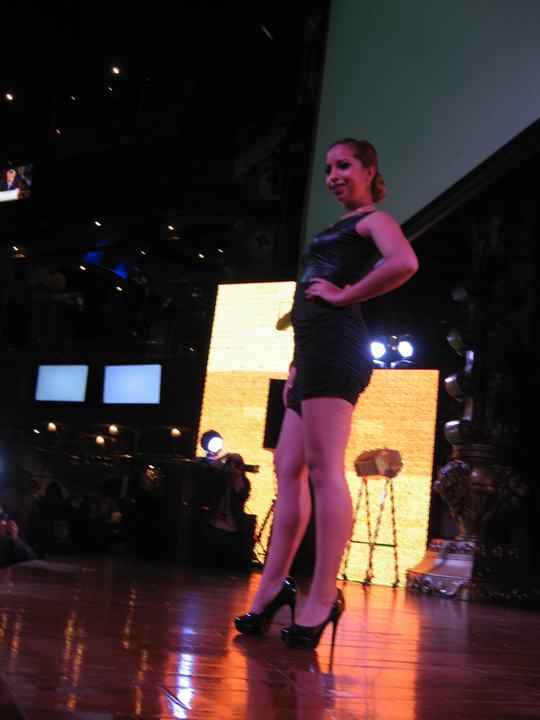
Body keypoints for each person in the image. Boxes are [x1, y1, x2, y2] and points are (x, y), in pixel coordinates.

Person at [234, 138, 419, 650]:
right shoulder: (341, 226)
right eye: (328, 168)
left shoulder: (374, 220)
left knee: (322, 469)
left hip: (338, 349)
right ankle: (272, 589)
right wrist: (296, 363)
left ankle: (322, 596)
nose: (334, 175)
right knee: (286, 467)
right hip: (312, 353)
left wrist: (345, 294)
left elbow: (404, 263)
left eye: (344, 165)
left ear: (369, 171)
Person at [200, 453, 252, 570]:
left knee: (236, 546)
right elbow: (210, 468)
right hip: (216, 522)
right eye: (231, 465)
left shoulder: (244, 483)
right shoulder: (219, 479)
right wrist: (225, 457)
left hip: (233, 525)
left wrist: (237, 477)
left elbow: (241, 495)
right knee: (214, 539)